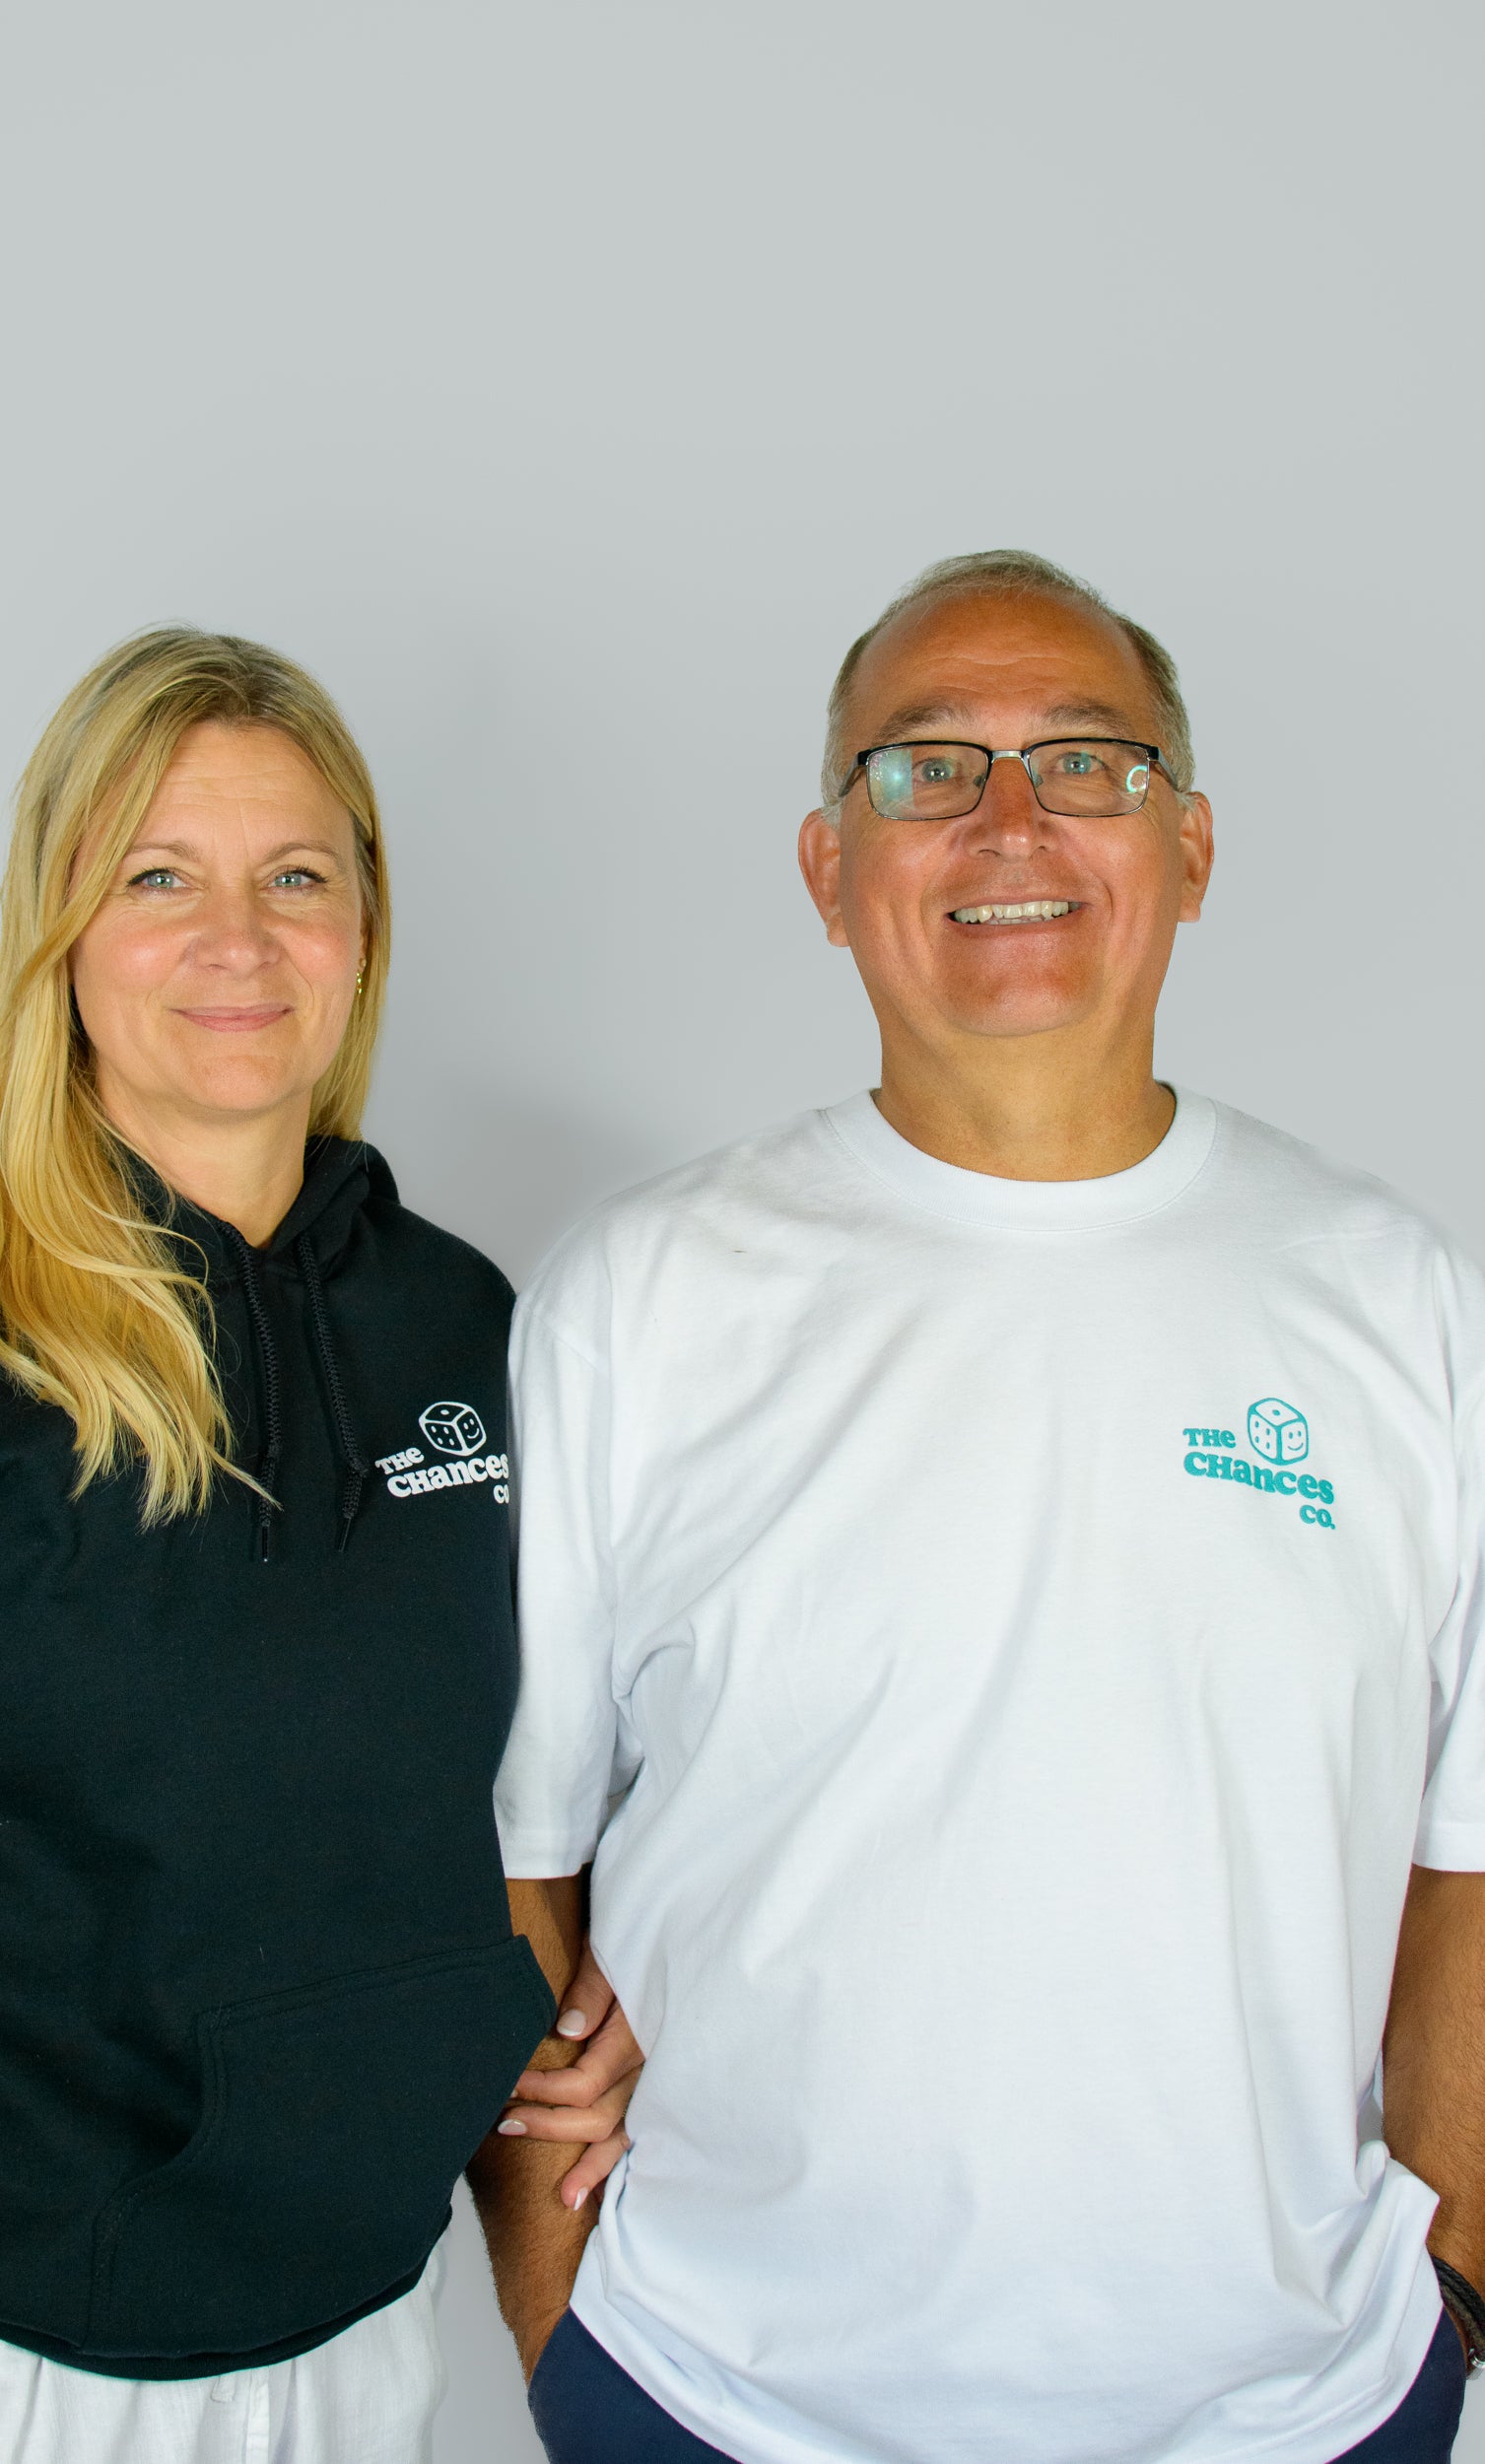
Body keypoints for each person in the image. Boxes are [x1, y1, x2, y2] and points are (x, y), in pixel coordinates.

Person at [489, 551, 1485, 2463]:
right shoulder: (645, 1295)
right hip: (721, 2401)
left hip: (1294, 2417)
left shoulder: (1396, 1300)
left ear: (1189, 845)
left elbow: (1474, 1858)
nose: (1009, 820)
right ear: (825, 866)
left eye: (1087, 762)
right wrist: (565, 2341)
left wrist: (1446, 2314)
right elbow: (514, 1856)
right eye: (921, 766)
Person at [0, 627, 624, 2464]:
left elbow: (506, 1801)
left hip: (364, 2345)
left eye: (297, 877)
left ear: (364, 922)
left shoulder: (461, 1328)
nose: (238, 942)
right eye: (158, 877)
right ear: (59, 927)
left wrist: (569, 2003)